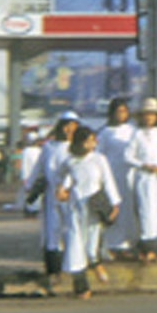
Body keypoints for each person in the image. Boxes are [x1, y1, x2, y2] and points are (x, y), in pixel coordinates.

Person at [56, 126, 121, 300]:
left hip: (94, 205)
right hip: (75, 206)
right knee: (75, 244)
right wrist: (61, 190)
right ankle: (81, 285)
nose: (91, 144)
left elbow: (108, 181)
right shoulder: (70, 161)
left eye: (93, 140)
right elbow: (62, 178)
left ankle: (96, 263)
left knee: (92, 241)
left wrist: (115, 203)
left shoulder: (99, 160)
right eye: (88, 141)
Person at [27, 111, 79, 284]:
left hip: (71, 194)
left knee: (71, 231)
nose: (69, 130)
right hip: (52, 194)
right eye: (66, 126)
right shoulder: (49, 147)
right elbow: (39, 168)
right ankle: (53, 270)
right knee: (52, 232)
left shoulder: (76, 148)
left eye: (73, 126)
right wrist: (30, 186)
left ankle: (74, 270)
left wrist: (66, 187)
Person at [125, 98, 157, 263]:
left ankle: (153, 248)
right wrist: (144, 165)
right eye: (146, 115)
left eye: (152, 115)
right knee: (146, 211)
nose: (149, 118)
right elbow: (128, 156)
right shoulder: (137, 134)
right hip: (144, 177)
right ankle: (146, 248)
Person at [97, 97, 138, 260]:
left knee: (129, 211)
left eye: (124, 111)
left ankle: (127, 244)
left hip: (130, 174)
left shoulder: (133, 130)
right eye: (118, 111)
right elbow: (99, 155)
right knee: (114, 210)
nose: (122, 114)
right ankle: (112, 245)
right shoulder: (105, 132)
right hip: (112, 175)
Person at [16, 130, 43, 216]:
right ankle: (35, 208)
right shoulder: (40, 151)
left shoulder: (26, 151)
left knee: (27, 192)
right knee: (36, 193)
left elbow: (24, 165)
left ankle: (29, 208)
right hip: (37, 175)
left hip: (28, 176)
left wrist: (23, 177)